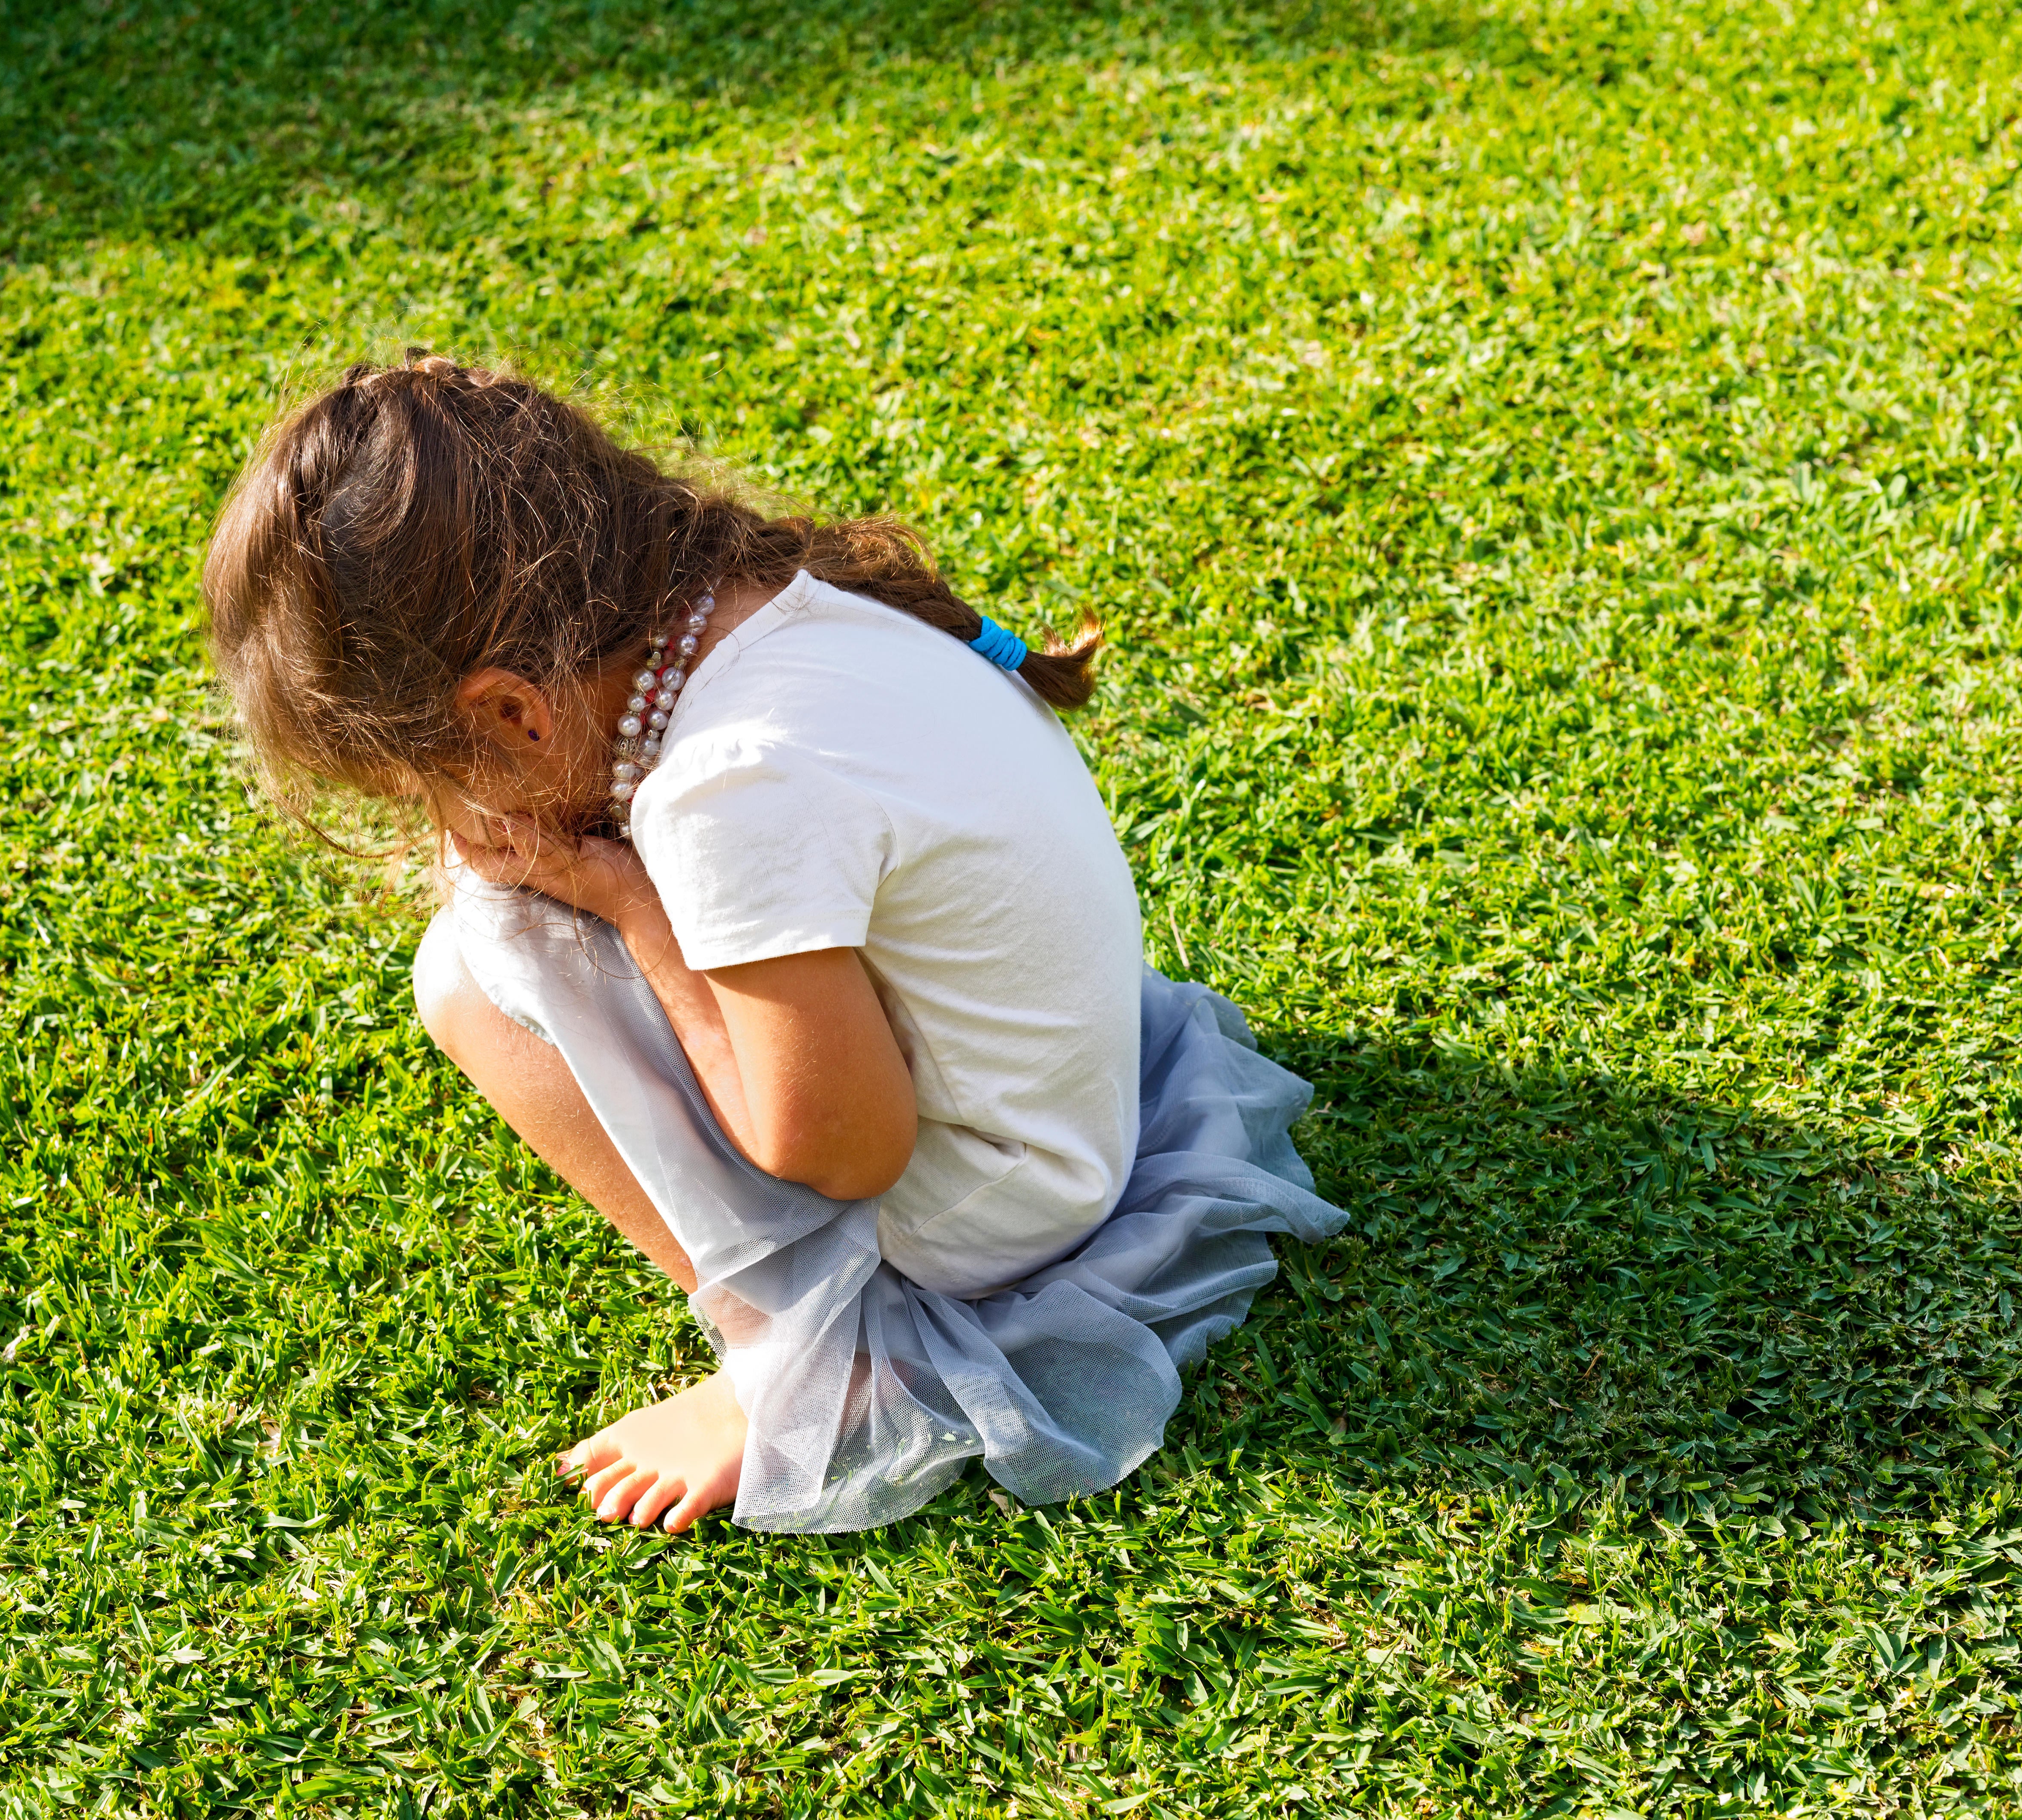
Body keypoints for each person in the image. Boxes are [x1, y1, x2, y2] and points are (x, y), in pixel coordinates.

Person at [200, 352, 1346, 1534]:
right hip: (1082, 1108)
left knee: (469, 966)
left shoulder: (724, 788)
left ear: (512, 712)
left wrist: (626, 903)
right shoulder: (769, 602)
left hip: (997, 1210)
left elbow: (843, 1153)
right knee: (505, 919)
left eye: (430, 782)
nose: (443, 821)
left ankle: (804, 1368)